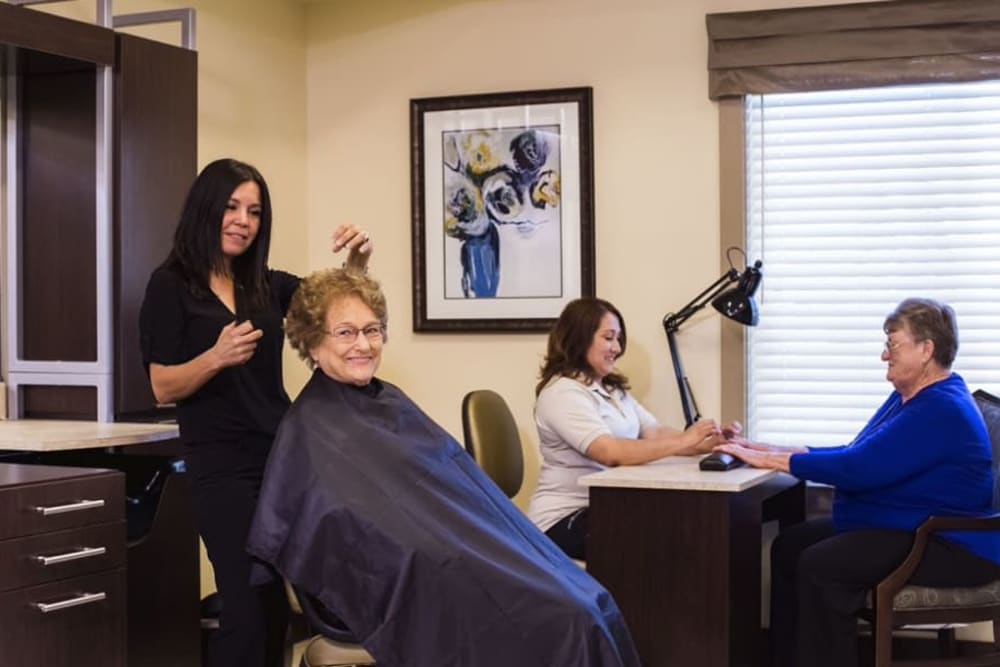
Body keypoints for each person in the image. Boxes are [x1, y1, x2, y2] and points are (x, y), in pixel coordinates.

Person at [246, 269, 641, 667]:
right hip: (406, 576)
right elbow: (353, 536)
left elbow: (445, 490)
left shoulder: (385, 400)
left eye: (372, 330)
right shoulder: (313, 427)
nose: (363, 344)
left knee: (593, 599)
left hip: (451, 555)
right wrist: (450, 553)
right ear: (313, 342)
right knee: (567, 619)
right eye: (346, 333)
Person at [137, 158, 372, 667]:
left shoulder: (264, 284)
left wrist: (356, 264)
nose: (243, 220)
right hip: (220, 469)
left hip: (281, 459)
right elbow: (161, 386)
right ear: (206, 209)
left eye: (254, 211)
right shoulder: (170, 285)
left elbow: (334, 309)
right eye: (232, 207)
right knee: (244, 605)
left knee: (274, 609)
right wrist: (214, 358)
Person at [714, 297, 1000, 667]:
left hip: (949, 544)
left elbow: (856, 468)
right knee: (788, 547)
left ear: (926, 350)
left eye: (892, 345)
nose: (885, 355)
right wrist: (765, 447)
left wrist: (774, 460)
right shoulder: (909, 398)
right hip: (908, 527)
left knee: (821, 566)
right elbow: (858, 450)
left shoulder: (941, 408)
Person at [526, 297, 737, 559]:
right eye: (608, 337)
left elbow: (654, 431)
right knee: (667, 536)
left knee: (688, 523)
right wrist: (685, 441)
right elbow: (610, 452)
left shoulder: (611, 389)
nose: (617, 347)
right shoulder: (563, 393)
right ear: (580, 338)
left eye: (618, 339)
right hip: (563, 518)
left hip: (608, 505)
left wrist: (707, 443)